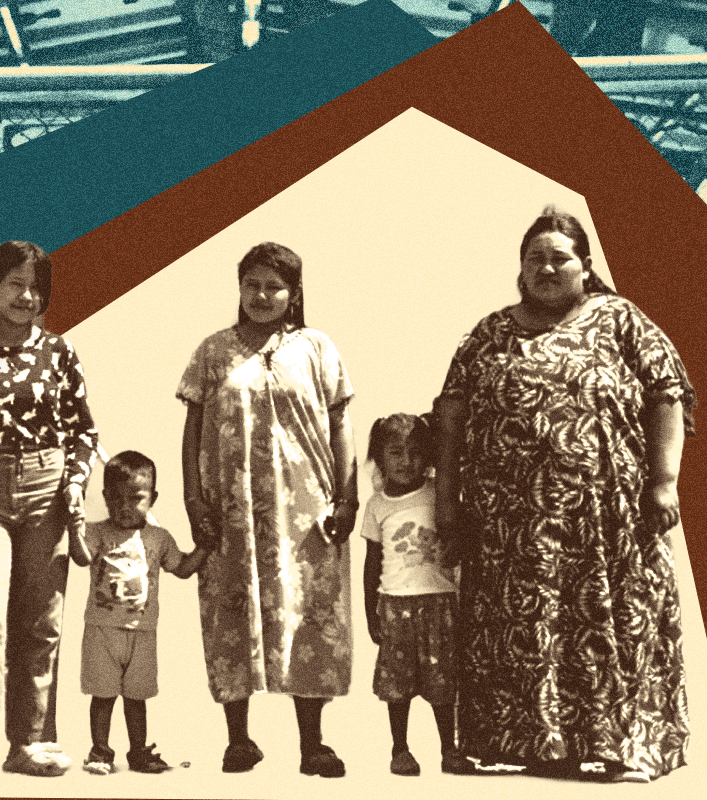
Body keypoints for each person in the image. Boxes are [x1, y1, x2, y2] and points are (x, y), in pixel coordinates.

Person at [435, 207, 695, 784]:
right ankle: (527, 743)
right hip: (510, 527)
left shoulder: (621, 320)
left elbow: (668, 394)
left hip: (607, 519)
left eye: (560, 257)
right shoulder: (488, 333)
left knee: (606, 622)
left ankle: (613, 744)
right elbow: (450, 418)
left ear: (585, 266)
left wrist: (664, 480)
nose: (547, 267)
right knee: (521, 626)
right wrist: (446, 505)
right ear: (521, 271)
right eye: (536, 259)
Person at [177, 242, 359, 778]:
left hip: (307, 512)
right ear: (239, 288)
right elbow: (192, 428)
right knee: (230, 610)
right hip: (230, 510)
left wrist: (347, 499)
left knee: (309, 616)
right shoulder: (213, 351)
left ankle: (313, 745)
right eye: (252, 284)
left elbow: (341, 420)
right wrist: (193, 497)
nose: (261, 295)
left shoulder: (317, 347)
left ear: (294, 294)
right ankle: (239, 740)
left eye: (274, 286)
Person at [0, 240, 99, 783]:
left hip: (49, 491)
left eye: (35, 286)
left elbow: (83, 433)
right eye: (14, 284)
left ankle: (30, 741)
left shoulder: (60, 352)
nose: (26, 296)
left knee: (42, 620)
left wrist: (73, 486)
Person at [68, 450, 210, 775]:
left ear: (152, 498)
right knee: (102, 696)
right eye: (116, 499)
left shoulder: (158, 538)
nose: (125, 507)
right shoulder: (97, 531)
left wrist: (206, 546)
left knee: (137, 697)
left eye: (135, 498)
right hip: (101, 630)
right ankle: (100, 752)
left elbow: (184, 568)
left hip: (143, 632)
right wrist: (74, 527)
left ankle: (139, 752)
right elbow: (80, 557)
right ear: (104, 497)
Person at [359, 412, 461, 777]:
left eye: (416, 452)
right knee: (397, 686)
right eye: (396, 452)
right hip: (395, 607)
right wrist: (371, 615)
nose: (406, 461)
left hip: (439, 602)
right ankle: (399, 749)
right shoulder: (377, 505)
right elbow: (372, 565)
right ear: (380, 457)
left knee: (443, 683)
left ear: (430, 456)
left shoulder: (438, 493)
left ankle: (449, 750)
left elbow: (457, 539)